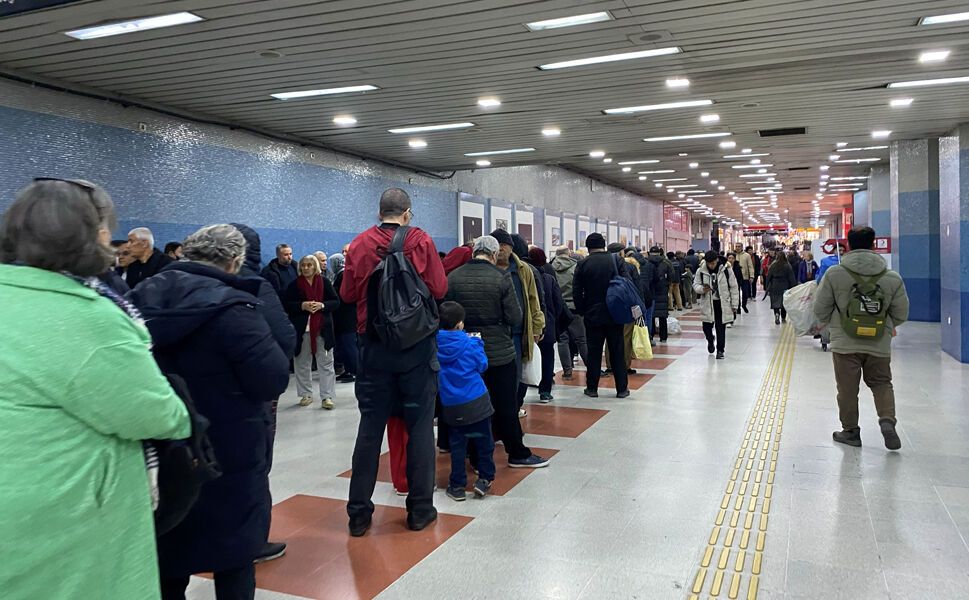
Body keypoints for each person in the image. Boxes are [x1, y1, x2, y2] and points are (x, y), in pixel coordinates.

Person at [0, 178, 191, 600]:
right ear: (88, 236)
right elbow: (158, 415)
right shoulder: (86, 318)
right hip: (64, 510)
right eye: (107, 227)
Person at [127, 224, 290, 600]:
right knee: (234, 558)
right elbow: (271, 379)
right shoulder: (236, 307)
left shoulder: (135, 298)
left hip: (158, 446)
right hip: (228, 447)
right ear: (234, 262)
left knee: (166, 554)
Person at [342, 188, 447, 536]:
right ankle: (419, 510)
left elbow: (346, 294)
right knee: (418, 427)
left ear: (379, 211)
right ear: (407, 213)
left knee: (370, 429)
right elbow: (439, 287)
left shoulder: (359, 244)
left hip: (372, 346)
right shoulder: (419, 240)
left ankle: (358, 514)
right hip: (416, 347)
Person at [446, 236, 547, 468]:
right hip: (498, 350)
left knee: (472, 403)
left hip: (465, 351)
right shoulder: (501, 279)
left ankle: (472, 453)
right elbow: (515, 316)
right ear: (493, 255)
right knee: (505, 404)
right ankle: (517, 453)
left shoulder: (454, 277)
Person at [228, 222, 296, 563]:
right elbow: (284, 338)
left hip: (194, 398)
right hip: (250, 396)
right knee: (253, 465)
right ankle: (250, 541)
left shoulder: (171, 283)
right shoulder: (256, 285)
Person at [813, 227, 909, 450]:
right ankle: (887, 421)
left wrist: (832, 324)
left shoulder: (835, 274)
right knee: (882, 382)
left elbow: (820, 308)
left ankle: (851, 432)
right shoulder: (891, 277)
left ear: (849, 244)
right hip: (879, 343)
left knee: (847, 389)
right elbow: (901, 313)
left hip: (845, 343)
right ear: (874, 244)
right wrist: (887, 326)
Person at [436, 301, 497, 501]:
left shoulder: (434, 344)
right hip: (476, 400)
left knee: (457, 445)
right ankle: (485, 479)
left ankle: (457, 485)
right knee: (485, 442)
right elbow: (483, 365)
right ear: (460, 324)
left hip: (452, 404)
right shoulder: (470, 343)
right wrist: (478, 344)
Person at [491, 230, 544, 416]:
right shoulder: (488, 268)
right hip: (494, 334)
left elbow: (533, 300)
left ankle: (511, 412)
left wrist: (537, 327)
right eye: (497, 245)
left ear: (511, 247)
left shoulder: (523, 270)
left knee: (517, 377)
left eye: (504, 245)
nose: (501, 249)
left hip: (518, 333)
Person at [573, 233, 632, 398]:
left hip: (593, 314)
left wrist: (583, 310)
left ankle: (592, 388)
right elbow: (627, 284)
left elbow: (577, 291)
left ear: (588, 246)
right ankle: (622, 389)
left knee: (594, 352)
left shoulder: (583, 263)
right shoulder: (616, 261)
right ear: (604, 245)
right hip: (615, 313)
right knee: (617, 351)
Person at [285, 255, 340, 409]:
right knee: (302, 363)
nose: (306, 268)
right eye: (304, 265)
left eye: (310, 265)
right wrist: (302, 306)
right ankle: (305, 394)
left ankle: (327, 397)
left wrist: (322, 306)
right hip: (302, 331)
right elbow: (287, 305)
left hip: (323, 330)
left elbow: (336, 302)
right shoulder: (294, 285)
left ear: (315, 266)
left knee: (326, 364)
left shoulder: (325, 282)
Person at [527, 246, 567, 403]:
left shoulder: (523, 275)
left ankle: (529, 384)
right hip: (547, 324)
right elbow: (558, 303)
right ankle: (545, 391)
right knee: (547, 356)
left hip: (528, 326)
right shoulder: (549, 279)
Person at [693, 250, 740, 359]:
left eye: (713, 263)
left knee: (720, 328)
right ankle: (710, 340)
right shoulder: (701, 270)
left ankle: (720, 350)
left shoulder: (726, 270)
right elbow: (695, 284)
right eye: (709, 263)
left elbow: (734, 287)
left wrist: (734, 305)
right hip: (707, 302)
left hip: (721, 302)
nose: (711, 265)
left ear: (717, 260)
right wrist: (702, 289)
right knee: (706, 327)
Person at [552, 245, 588, 378]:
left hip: (559, 308)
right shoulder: (575, 266)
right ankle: (591, 367)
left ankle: (567, 371)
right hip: (574, 307)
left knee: (562, 340)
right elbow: (580, 287)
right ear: (568, 253)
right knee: (581, 339)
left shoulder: (551, 267)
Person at [330, 253, 358, 383]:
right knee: (345, 346)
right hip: (345, 317)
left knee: (349, 346)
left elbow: (342, 296)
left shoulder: (343, 276)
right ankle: (349, 370)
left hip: (346, 317)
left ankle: (353, 371)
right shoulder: (342, 275)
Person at [815, 243, 847, 351]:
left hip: (827, 292)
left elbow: (820, 278)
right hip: (844, 294)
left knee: (825, 315)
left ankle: (824, 338)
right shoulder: (848, 262)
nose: (841, 252)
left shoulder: (825, 261)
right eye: (840, 250)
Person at [647, 246, 672, 342]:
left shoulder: (647, 263)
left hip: (651, 291)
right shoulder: (666, 263)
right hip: (663, 291)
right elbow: (671, 276)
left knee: (651, 315)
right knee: (663, 316)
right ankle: (663, 337)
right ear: (660, 253)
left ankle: (651, 335)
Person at [765, 253, 797, 324]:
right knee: (783, 302)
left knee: (775, 301)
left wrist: (766, 286)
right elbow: (791, 277)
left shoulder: (773, 265)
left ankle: (776, 314)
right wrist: (793, 286)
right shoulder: (787, 265)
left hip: (774, 285)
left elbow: (768, 276)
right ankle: (783, 317)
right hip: (785, 285)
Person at [726, 252, 744, 327]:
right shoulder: (725, 267)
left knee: (735, 300)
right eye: (729, 258)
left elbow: (740, 277)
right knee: (727, 302)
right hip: (726, 287)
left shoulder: (738, 267)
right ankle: (728, 319)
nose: (731, 260)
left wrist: (739, 284)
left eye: (732, 258)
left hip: (735, 286)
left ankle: (734, 315)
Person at [737, 246, 755, 313]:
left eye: (738, 246)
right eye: (736, 246)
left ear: (741, 247)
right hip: (735, 277)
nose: (737, 248)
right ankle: (738, 307)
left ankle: (744, 304)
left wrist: (751, 276)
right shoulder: (733, 255)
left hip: (745, 277)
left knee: (745, 292)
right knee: (736, 293)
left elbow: (750, 266)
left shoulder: (747, 255)